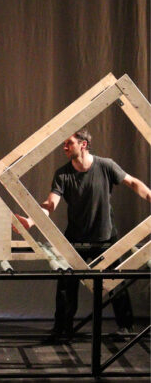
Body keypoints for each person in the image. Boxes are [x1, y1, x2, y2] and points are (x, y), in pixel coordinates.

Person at [16, 128, 151, 342]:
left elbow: (133, 182)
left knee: (115, 283)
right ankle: (62, 329)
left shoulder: (106, 166)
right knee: (66, 286)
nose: (64, 147)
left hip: (105, 238)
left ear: (83, 144)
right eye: (64, 144)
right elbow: (50, 204)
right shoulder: (63, 174)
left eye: (69, 143)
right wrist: (31, 221)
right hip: (76, 239)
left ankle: (126, 328)